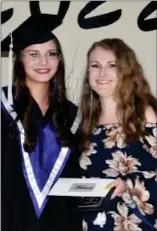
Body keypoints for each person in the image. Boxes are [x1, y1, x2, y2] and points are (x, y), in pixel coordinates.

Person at [1, 15, 81, 231]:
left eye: (51, 54)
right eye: (33, 54)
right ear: (19, 60)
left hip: (62, 222)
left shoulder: (73, 115)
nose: (43, 62)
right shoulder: (3, 105)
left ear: (59, 60)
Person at [79, 38, 157, 231]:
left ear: (126, 70)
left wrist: (128, 184)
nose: (102, 73)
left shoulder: (143, 114)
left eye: (111, 65)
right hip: (94, 223)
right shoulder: (86, 121)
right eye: (95, 66)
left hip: (133, 224)